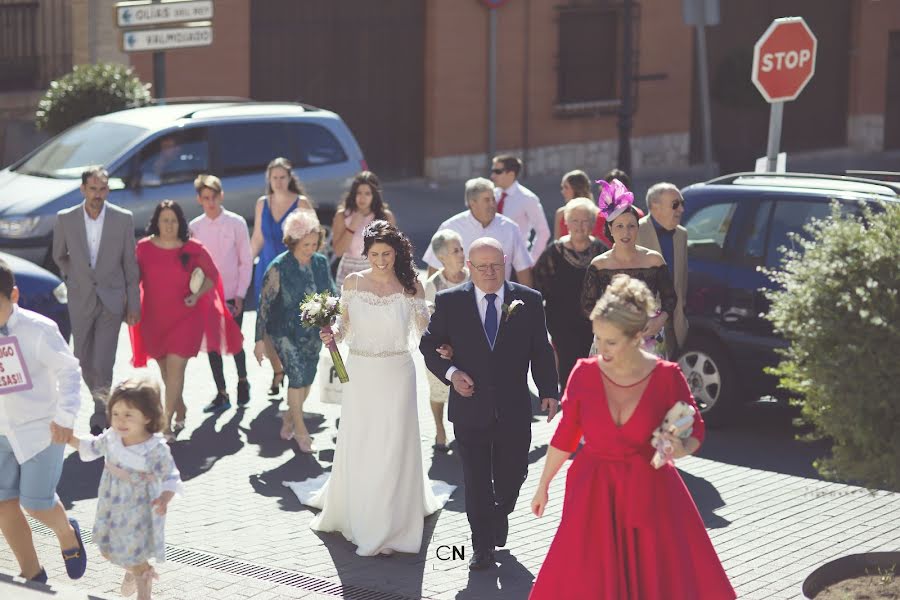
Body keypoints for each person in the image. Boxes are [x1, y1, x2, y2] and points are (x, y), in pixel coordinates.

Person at [529, 275, 735, 599]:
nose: (601, 348)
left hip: (651, 494)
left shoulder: (668, 377)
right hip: (592, 495)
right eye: (598, 338)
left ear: (638, 335)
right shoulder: (583, 373)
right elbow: (566, 435)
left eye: (611, 341)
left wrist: (678, 448)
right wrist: (543, 485)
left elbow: (695, 430)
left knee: (654, 581)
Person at [285, 221, 455, 556]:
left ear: (397, 252)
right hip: (360, 372)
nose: (380, 260)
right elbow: (344, 327)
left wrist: (444, 348)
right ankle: (360, 508)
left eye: (386, 253)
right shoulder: (352, 282)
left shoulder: (412, 286)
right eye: (374, 253)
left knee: (394, 441)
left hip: (397, 372)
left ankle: (392, 517)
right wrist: (330, 332)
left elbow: (423, 331)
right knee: (362, 439)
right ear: (366, 253)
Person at [420, 237, 559, 571]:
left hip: (514, 407)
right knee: (476, 479)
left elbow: (541, 349)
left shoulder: (528, 300)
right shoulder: (450, 301)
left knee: (514, 473)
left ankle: (502, 512)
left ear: (506, 262)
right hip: (470, 409)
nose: (489, 272)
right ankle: (481, 547)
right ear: (469, 267)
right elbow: (429, 346)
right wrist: (452, 373)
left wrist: (549, 391)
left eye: (495, 265)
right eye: (481, 266)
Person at [0, 259, 87, 585]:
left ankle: (67, 533)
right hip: (1, 431)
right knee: (3, 504)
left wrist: (65, 418)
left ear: (14, 295)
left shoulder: (39, 330)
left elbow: (69, 372)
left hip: (41, 430)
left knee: (35, 505)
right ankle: (32, 572)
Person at [129, 201, 243, 441]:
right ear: (156, 223)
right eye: (164, 220)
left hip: (186, 318)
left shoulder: (193, 248)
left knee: (176, 369)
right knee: (166, 373)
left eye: (173, 220)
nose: (169, 225)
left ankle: (165, 423)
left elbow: (212, 277)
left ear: (180, 223)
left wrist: (196, 295)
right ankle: (179, 407)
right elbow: (132, 281)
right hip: (153, 319)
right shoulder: (143, 249)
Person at [67, 379, 183, 600]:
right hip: (112, 503)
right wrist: (69, 438)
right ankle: (135, 570)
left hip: (142, 507)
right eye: (116, 413)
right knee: (106, 550)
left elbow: (170, 476)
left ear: (148, 417)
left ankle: (143, 583)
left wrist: (165, 497)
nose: (120, 420)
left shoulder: (155, 448)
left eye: (129, 414)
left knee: (135, 552)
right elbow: (91, 447)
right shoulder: (112, 437)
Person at [52, 166, 141, 435]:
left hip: (112, 300)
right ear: (83, 190)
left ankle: (100, 413)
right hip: (81, 298)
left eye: (102, 189)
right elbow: (59, 256)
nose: (97, 194)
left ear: (108, 191)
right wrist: (73, 278)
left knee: (103, 360)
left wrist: (133, 304)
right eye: (92, 189)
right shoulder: (66, 218)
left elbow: (130, 265)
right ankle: (101, 398)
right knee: (81, 359)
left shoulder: (122, 219)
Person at [254, 210, 335, 453]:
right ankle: (300, 431)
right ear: (293, 242)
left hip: (314, 333)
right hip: (284, 332)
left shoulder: (320, 263)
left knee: (307, 381)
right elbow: (264, 305)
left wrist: (333, 322)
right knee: (296, 378)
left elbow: (330, 294)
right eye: (305, 244)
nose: (311, 248)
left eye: (314, 243)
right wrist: (259, 340)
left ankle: (290, 417)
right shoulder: (278, 267)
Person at [580, 179, 676, 357]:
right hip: (611, 339)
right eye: (620, 226)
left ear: (638, 228)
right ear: (610, 228)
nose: (626, 233)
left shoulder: (654, 259)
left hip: (649, 336)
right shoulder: (599, 264)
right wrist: (609, 325)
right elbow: (587, 306)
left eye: (631, 226)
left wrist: (659, 321)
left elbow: (670, 299)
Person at [189, 175, 253, 413]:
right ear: (199, 200)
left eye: (214, 196)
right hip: (207, 297)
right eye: (206, 198)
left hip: (232, 294)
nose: (211, 202)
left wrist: (240, 294)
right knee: (213, 346)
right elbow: (193, 266)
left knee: (235, 341)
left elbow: (245, 261)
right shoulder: (195, 228)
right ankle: (221, 392)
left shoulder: (236, 223)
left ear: (221, 195)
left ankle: (243, 381)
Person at [251, 158, 314, 396]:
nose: (278, 182)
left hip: (292, 271)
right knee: (266, 326)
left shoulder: (301, 203)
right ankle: (278, 370)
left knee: (291, 325)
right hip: (266, 270)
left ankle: (294, 373)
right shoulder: (262, 203)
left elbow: (313, 240)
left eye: (282, 177)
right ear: (269, 179)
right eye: (274, 177)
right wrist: (244, 266)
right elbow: (258, 238)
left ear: (290, 178)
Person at [533, 198, 608, 390]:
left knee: (593, 365)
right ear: (566, 223)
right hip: (561, 322)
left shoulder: (601, 251)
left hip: (595, 322)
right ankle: (570, 406)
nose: (580, 226)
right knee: (567, 365)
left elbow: (610, 287)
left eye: (585, 221)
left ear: (592, 223)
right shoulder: (554, 252)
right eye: (574, 220)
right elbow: (538, 286)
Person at [423, 178, 534, 287]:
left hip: (500, 301)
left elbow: (523, 269)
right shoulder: (450, 227)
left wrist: (529, 303)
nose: (492, 204)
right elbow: (434, 268)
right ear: (472, 203)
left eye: (493, 199)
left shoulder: (511, 228)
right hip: (459, 301)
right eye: (487, 200)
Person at [424, 229, 470, 451]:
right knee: (438, 392)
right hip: (441, 349)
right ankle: (439, 429)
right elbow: (428, 325)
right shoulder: (432, 285)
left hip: (469, 347)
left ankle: (464, 431)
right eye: (455, 251)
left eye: (461, 249)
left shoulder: (473, 278)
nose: (462, 254)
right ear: (442, 257)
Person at [637, 182, 688, 359]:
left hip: (675, 325)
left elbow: (682, 280)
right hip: (644, 328)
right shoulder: (634, 232)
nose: (681, 209)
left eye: (682, 203)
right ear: (655, 206)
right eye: (675, 204)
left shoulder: (682, 235)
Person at [331, 171, 396, 287]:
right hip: (348, 272)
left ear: (374, 195)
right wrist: (352, 227)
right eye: (359, 193)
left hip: (377, 271)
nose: (362, 198)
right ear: (353, 194)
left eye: (367, 193)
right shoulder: (342, 215)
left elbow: (392, 252)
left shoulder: (386, 217)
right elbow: (338, 251)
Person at [489, 155, 551, 261]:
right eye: (492, 171)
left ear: (511, 174)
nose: (492, 176)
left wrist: (532, 260)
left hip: (517, 260)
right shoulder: (492, 195)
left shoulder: (527, 198)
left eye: (497, 171)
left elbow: (543, 232)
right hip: (492, 258)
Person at [553, 169, 593, 240]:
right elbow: (557, 245)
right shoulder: (560, 214)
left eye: (566, 187)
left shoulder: (596, 214)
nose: (563, 191)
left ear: (576, 188)